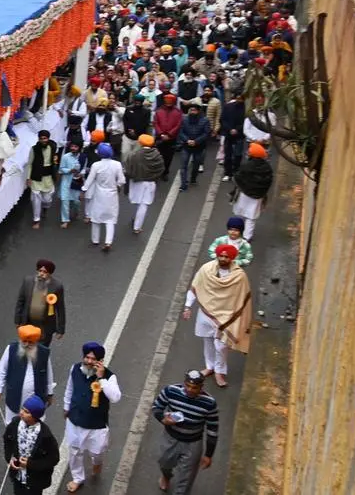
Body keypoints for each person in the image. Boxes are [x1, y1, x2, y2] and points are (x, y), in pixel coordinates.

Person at [183, 244, 253, 388]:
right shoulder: (206, 270)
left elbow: (242, 298)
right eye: (220, 256)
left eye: (226, 257)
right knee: (208, 341)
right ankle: (210, 366)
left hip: (227, 317)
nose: (223, 259)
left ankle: (220, 372)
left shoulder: (239, 276)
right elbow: (195, 287)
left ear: (232, 258)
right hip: (206, 313)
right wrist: (188, 306)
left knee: (220, 346)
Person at [63, 342, 122, 493]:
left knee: (97, 452)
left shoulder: (109, 376)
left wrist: (101, 379)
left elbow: (115, 397)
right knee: (74, 451)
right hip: (75, 420)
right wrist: (66, 406)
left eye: (93, 359)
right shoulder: (75, 368)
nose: (89, 361)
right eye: (87, 357)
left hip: (96, 425)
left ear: (100, 361)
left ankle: (97, 463)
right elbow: (70, 388)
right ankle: (77, 478)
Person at [152, 370, 219, 494]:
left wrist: (209, 454)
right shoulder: (170, 391)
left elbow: (213, 430)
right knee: (164, 463)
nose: (190, 390)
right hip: (170, 438)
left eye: (195, 388)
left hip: (193, 444)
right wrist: (163, 419)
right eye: (187, 386)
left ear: (201, 387)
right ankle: (166, 476)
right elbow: (156, 407)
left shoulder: (209, 403)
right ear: (184, 383)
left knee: (186, 478)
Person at [0, 325, 55, 425]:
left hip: (36, 399)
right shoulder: (11, 349)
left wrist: (50, 394)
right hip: (14, 398)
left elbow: (49, 374)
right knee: (12, 425)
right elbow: (2, 370)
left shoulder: (44, 353)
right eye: (24, 341)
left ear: (36, 342)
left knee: (34, 426)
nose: (26, 344)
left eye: (30, 342)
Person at [3, 395, 61, 495]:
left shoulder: (45, 435)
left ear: (35, 416)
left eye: (27, 412)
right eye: (22, 409)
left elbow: (53, 458)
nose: (21, 413)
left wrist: (30, 464)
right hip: (18, 476)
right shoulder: (15, 424)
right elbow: (7, 440)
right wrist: (10, 458)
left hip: (35, 481)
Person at [82, 143, 126, 251]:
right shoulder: (117, 164)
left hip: (99, 194)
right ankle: (108, 242)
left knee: (96, 218)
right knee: (110, 219)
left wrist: (83, 190)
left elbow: (89, 180)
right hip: (112, 195)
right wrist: (118, 186)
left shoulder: (96, 165)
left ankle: (95, 240)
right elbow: (121, 180)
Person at [14, 260, 65, 347]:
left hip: (45, 327)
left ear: (50, 273)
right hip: (28, 323)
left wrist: (60, 330)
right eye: (40, 271)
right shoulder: (28, 281)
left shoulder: (57, 286)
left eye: (45, 272)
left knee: (41, 349)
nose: (41, 274)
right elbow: (20, 301)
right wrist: (17, 320)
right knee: (26, 346)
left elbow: (60, 308)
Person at [124, 135, 166, 234]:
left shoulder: (134, 155)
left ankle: (136, 219)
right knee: (144, 204)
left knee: (138, 202)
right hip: (150, 183)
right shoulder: (157, 155)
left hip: (137, 183)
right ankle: (137, 227)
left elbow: (128, 170)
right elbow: (161, 169)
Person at [232, 143, 273, 241]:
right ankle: (247, 237)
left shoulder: (246, 166)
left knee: (240, 213)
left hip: (244, 194)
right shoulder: (267, 168)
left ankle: (237, 231)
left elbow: (238, 178)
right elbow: (269, 182)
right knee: (251, 216)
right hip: (258, 196)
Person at [26, 129, 58, 229]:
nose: (43, 140)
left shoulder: (53, 146)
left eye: (45, 138)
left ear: (48, 138)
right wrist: (28, 178)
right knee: (36, 199)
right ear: (39, 139)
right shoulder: (34, 149)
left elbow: (55, 160)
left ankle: (45, 208)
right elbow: (30, 164)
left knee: (47, 199)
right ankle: (36, 220)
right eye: (41, 138)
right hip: (36, 177)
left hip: (48, 178)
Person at [177, 104, 211, 191]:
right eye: (191, 110)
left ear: (199, 111)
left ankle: (193, 178)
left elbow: (206, 133)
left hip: (199, 147)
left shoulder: (205, 120)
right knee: (183, 166)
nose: (192, 112)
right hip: (186, 146)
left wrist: (196, 141)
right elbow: (181, 132)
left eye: (194, 110)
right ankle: (183, 185)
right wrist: (187, 140)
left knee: (196, 165)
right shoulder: (184, 119)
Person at [153, 94, 183, 181]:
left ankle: (165, 172)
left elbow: (178, 125)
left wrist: (169, 134)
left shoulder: (177, 112)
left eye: (170, 102)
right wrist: (161, 134)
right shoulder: (159, 111)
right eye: (167, 101)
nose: (168, 103)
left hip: (171, 139)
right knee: (158, 156)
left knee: (168, 157)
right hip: (160, 137)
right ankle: (157, 172)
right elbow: (156, 123)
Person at [57, 140, 85, 228]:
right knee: (65, 201)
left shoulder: (83, 157)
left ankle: (76, 212)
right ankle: (65, 220)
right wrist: (69, 170)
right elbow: (61, 169)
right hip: (66, 182)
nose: (73, 148)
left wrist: (81, 173)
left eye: (75, 147)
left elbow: (84, 168)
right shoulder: (65, 157)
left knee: (76, 202)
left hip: (77, 182)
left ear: (79, 148)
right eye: (72, 146)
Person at [220, 94, 246, 181]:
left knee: (237, 155)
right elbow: (223, 119)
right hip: (229, 135)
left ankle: (236, 172)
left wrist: (237, 129)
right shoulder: (228, 107)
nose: (239, 100)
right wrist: (230, 129)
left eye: (241, 99)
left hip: (239, 135)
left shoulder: (246, 109)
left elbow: (246, 122)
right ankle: (228, 173)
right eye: (237, 98)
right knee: (228, 155)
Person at [121, 94, 151, 162]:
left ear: (142, 102)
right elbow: (125, 120)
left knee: (136, 156)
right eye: (136, 101)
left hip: (139, 137)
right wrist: (129, 130)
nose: (137, 102)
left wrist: (136, 132)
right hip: (128, 135)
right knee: (125, 153)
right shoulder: (129, 108)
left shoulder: (146, 111)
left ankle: (134, 170)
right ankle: (124, 168)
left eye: (139, 101)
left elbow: (145, 124)